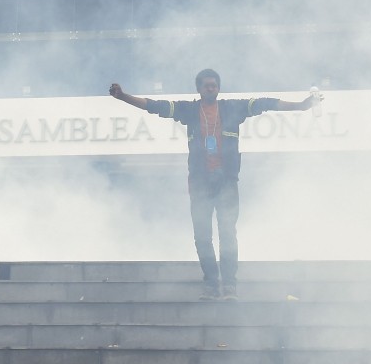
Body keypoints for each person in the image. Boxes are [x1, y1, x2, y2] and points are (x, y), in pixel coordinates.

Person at [109, 69, 320, 301]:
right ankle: (211, 285)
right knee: (202, 237)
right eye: (207, 85)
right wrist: (124, 97)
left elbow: (265, 103)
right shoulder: (188, 110)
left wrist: (301, 106)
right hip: (200, 184)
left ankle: (229, 286)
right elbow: (155, 105)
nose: (211, 89)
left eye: (214, 85)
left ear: (218, 88)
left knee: (228, 234)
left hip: (227, 182)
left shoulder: (232, 108)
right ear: (199, 89)